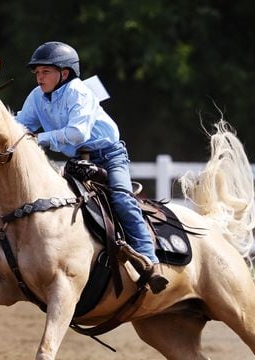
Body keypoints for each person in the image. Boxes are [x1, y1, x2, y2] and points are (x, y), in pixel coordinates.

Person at [16, 41, 168, 293]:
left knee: (121, 198)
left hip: (109, 155)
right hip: (79, 160)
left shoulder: (79, 92)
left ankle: (150, 261)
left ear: (64, 73)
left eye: (45, 72)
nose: (39, 77)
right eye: (37, 73)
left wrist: (38, 139)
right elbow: (21, 125)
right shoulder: (36, 97)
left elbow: (77, 133)